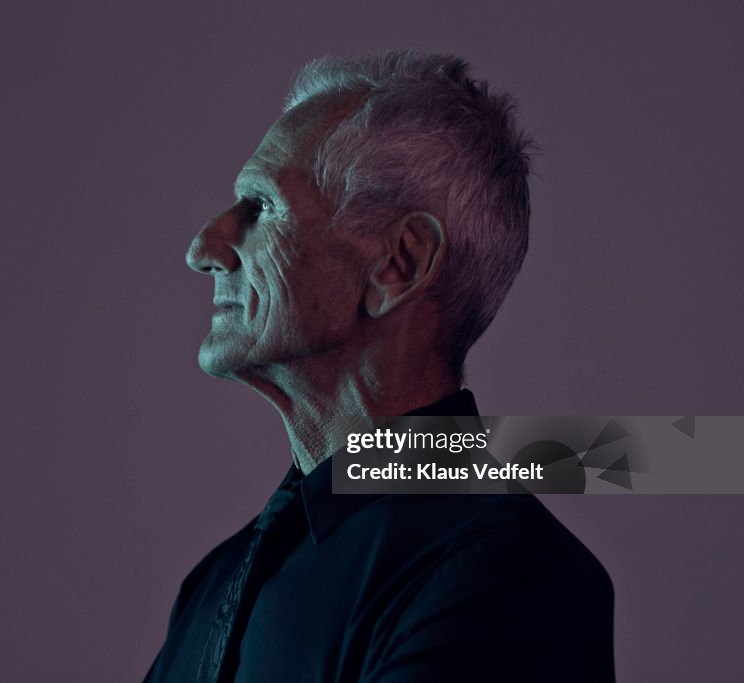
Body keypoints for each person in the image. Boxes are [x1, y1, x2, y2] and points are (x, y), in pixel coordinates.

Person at [144, 51, 615, 682]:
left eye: (261, 207)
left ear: (398, 265)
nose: (203, 249)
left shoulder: (515, 572)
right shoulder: (213, 585)